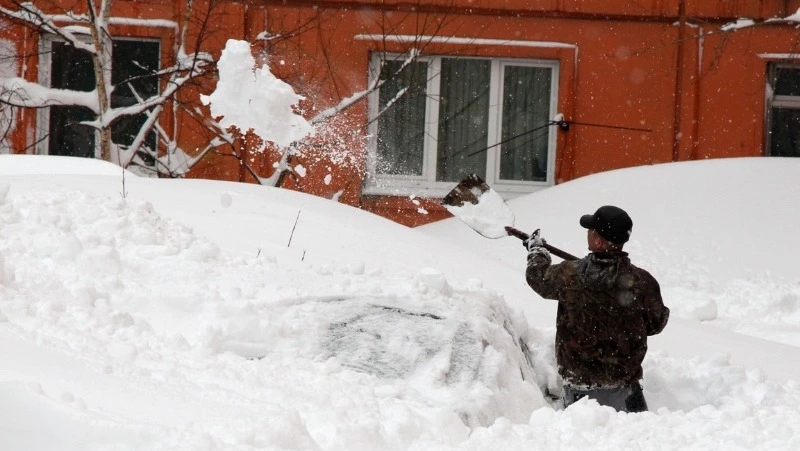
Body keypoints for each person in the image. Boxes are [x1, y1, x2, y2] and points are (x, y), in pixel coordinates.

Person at [524, 205, 669, 413]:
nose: (588, 233)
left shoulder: (569, 275)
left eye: (591, 230)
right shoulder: (641, 282)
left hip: (579, 389)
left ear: (599, 241)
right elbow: (656, 323)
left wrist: (536, 252)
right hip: (626, 387)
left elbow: (538, 278)